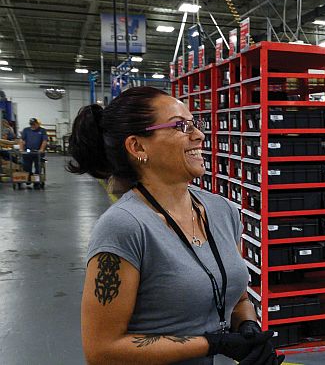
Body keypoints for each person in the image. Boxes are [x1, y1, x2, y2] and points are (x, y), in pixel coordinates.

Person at [68, 87, 282, 365]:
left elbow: (238, 297)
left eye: (196, 124)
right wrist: (210, 343)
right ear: (138, 146)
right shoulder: (125, 227)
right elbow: (102, 350)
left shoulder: (222, 211)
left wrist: (247, 328)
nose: (199, 135)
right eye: (181, 126)